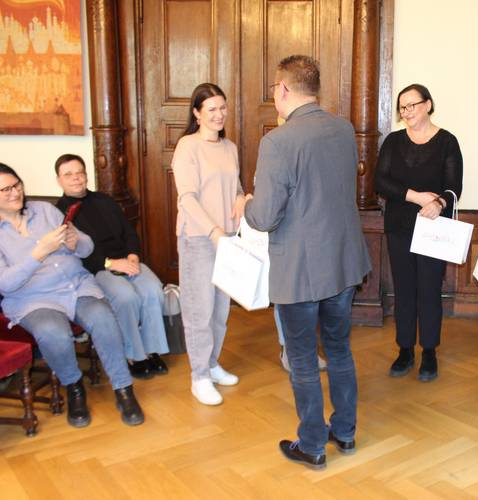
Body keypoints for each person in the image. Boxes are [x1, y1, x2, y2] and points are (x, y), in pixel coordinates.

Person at [245, 55, 371, 470]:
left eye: (273, 91)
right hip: (342, 261)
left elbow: (264, 217)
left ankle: (312, 444)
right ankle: (346, 432)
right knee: (338, 350)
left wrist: (246, 204)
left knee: (301, 359)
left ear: (283, 89)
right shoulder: (343, 129)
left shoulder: (278, 142)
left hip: (300, 269)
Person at [0, 163, 144, 427]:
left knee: (103, 318)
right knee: (52, 332)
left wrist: (76, 241)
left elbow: (87, 248)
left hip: (76, 285)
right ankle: (74, 388)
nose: (14, 192)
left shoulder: (43, 210)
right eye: (5, 189)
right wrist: (39, 253)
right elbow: (5, 283)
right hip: (33, 299)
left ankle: (124, 390)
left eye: (17, 185)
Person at [374, 83, 463, 382]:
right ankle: (404, 350)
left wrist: (438, 202)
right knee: (404, 290)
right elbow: (380, 182)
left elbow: (454, 188)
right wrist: (416, 196)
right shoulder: (393, 141)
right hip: (399, 226)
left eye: (412, 105)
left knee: (428, 290)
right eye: (402, 107)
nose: (406, 111)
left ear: (427, 105)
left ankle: (429, 352)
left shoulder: (447, 142)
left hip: (433, 229)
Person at [55, 154, 169, 380]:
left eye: (80, 172)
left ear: (86, 175)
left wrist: (134, 256)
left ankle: (151, 349)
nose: (76, 178)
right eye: (69, 175)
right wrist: (110, 263)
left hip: (127, 259)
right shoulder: (59, 212)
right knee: (126, 297)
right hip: (97, 268)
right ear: (59, 180)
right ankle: (134, 355)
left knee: (153, 290)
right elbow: (74, 253)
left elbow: (128, 232)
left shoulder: (105, 200)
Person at [172, 82, 251, 406]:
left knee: (220, 312)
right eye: (211, 110)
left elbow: (235, 187)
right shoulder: (187, 147)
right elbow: (187, 198)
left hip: (228, 239)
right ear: (197, 113)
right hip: (198, 240)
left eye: (222, 108)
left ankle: (212, 363)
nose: (219, 115)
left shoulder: (230, 147)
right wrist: (214, 231)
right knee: (199, 311)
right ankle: (199, 376)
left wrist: (242, 199)